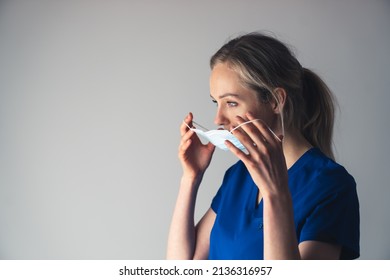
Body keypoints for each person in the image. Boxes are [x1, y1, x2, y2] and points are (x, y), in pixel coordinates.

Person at [166, 32, 360, 260]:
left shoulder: (332, 186)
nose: (218, 118)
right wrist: (191, 178)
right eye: (215, 102)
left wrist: (275, 193)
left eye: (231, 102)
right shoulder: (238, 175)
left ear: (276, 101)